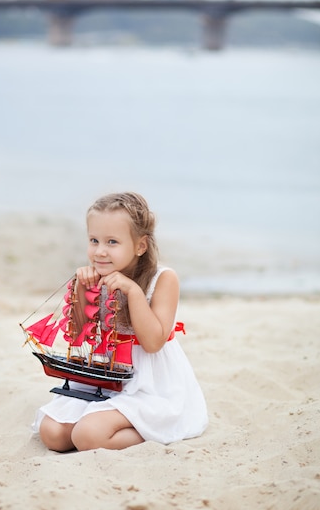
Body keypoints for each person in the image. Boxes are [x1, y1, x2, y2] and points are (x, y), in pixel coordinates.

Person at [32, 192, 208, 452]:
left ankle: (150, 430)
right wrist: (81, 290)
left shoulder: (163, 279)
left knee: (88, 436)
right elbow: (79, 336)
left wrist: (133, 292)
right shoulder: (96, 276)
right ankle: (103, 422)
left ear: (140, 246)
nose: (100, 251)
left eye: (112, 242)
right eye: (94, 240)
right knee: (53, 433)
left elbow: (152, 343)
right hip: (107, 374)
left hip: (149, 383)